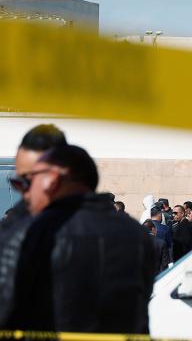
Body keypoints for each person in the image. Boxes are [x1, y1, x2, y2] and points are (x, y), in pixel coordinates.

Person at [3, 144, 155, 333]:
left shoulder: (28, 234)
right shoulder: (137, 234)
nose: (23, 193)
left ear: (52, 181)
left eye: (25, 183)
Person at [1, 124, 67, 232]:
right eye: (17, 181)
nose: (24, 193)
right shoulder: (13, 226)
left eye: (28, 181)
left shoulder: (91, 226)